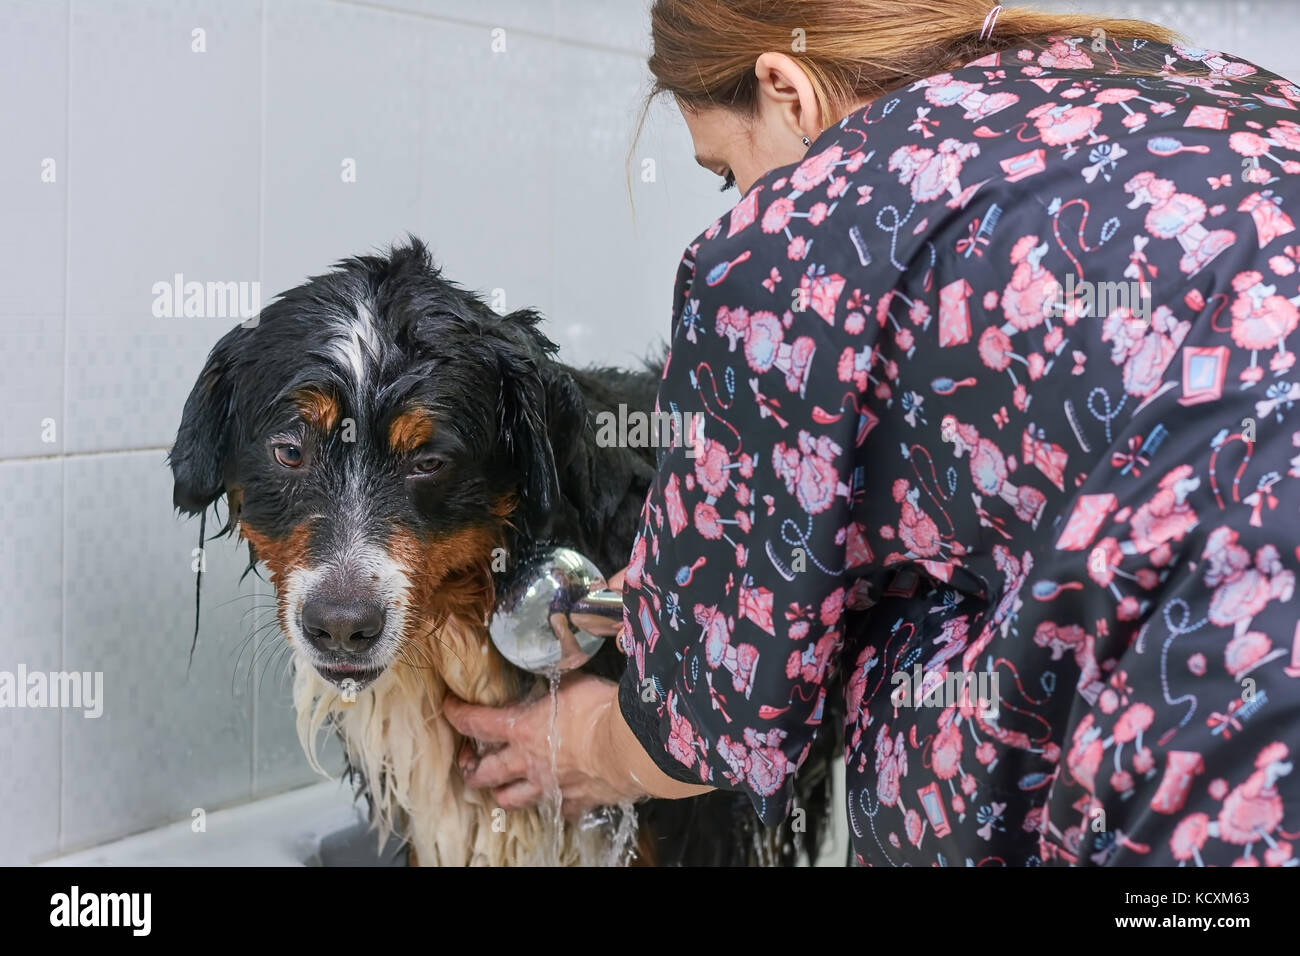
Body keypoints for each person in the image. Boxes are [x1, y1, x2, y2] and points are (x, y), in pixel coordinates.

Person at [445, 0, 1300, 866]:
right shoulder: (1191, 86)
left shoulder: (791, 246)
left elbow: (705, 716)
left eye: (723, 169)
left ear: (787, 89)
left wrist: (585, 744)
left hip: (1231, 693)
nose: (741, 202)